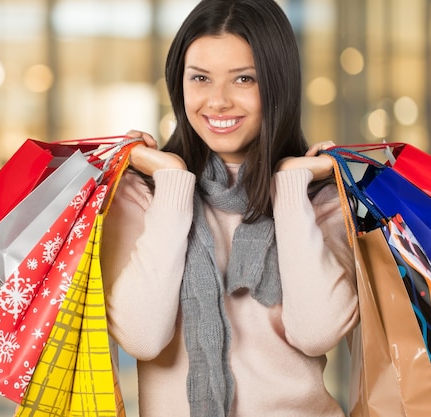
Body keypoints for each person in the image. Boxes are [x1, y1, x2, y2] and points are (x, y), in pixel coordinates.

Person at [100, 0, 359, 416]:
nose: (217, 101)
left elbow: (315, 332)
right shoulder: (142, 194)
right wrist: (170, 181)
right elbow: (142, 337)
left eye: (243, 79)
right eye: (200, 77)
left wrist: (291, 187)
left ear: (278, 85)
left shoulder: (319, 198)